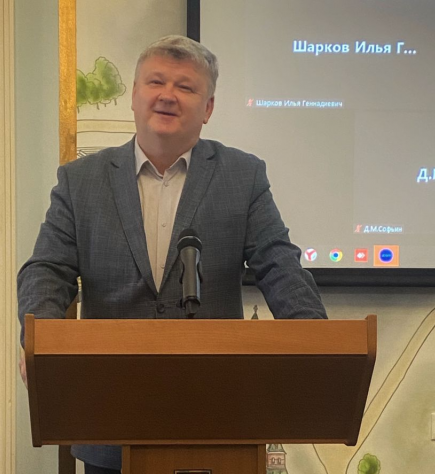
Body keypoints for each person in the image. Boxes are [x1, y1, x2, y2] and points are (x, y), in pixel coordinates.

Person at [17, 35, 327, 474]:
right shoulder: (80, 180)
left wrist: (316, 342)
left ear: (208, 108)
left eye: (185, 87)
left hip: (215, 422)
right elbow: (47, 269)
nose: (167, 95)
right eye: (156, 82)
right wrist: (41, 341)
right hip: (109, 418)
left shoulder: (243, 175)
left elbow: (279, 264)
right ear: (134, 95)